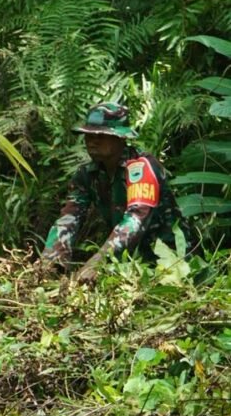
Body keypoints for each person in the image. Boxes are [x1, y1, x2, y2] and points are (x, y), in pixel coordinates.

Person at [40, 101, 191, 283]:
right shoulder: (88, 174)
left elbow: (136, 218)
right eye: (88, 135)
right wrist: (51, 260)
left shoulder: (140, 168)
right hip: (128, 263)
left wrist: (98, 261)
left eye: (101, 136)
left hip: (172, 262)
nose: (92, 141)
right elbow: (69, 217)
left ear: (120, 138)